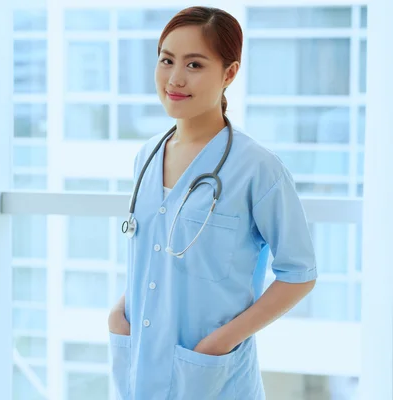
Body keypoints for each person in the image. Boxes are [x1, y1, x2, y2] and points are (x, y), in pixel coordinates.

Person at [107, 6, 317, 400]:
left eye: (195, 64)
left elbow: (299, 274)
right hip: (139, 370)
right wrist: (120, 315)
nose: (175, 78)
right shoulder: (148, 156)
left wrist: (219, 343)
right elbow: (154, 254)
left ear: (229, 73)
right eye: (166, 60)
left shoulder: (258, 168)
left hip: (212, 378)